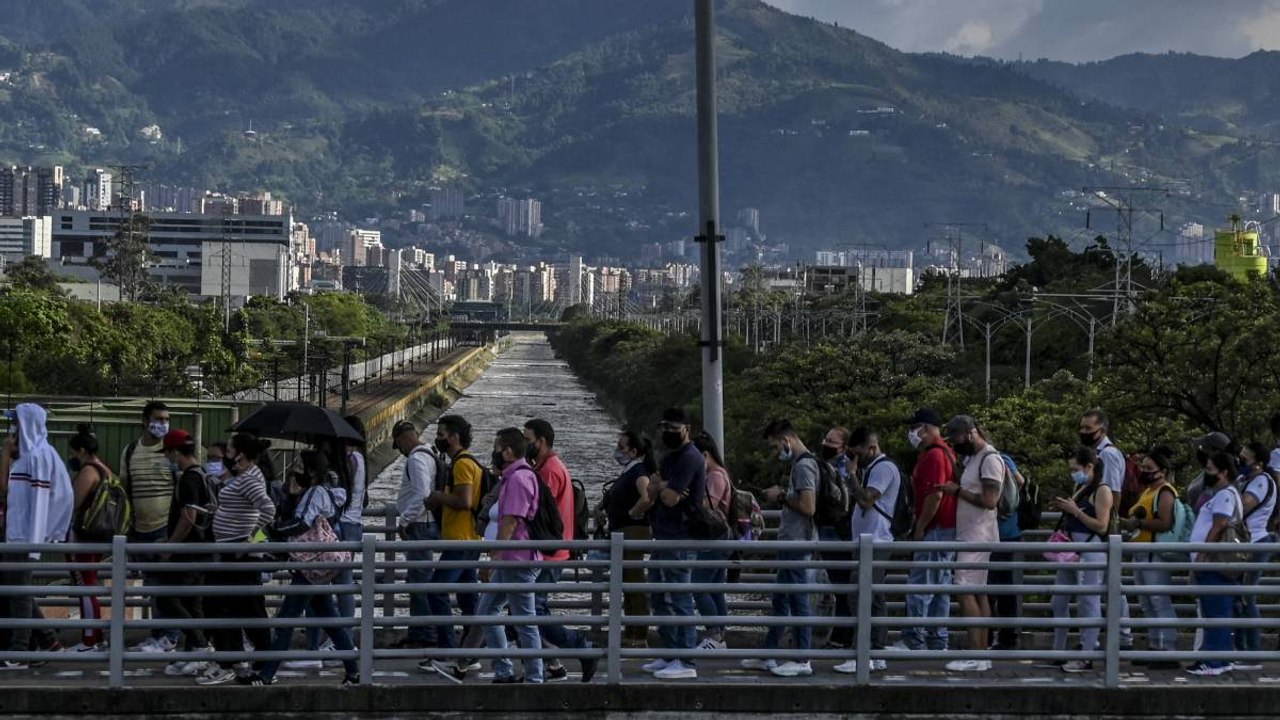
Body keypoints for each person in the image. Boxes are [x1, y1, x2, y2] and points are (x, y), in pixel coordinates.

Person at [238, 450, 359, 687]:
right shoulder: (325, 492)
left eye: (301, 466)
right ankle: (353, 670)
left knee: (286, 619)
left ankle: (267, 674)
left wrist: (274, 529)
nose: (297, 469)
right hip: (318, 565)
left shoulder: (315, 492)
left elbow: (301, 523)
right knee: (330, 619)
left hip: (309, 565)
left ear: (311, 471)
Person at [194, 433, 276, 686]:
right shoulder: (246, 475)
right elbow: (242, 507)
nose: (226, 454)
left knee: (224, 605)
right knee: (241, 606)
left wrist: (249, 540)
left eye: (229, 450)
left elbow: (268, 509)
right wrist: (219, 511)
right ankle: (247, 659)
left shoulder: (250, 478)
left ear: (240, 452)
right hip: (232, 550)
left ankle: (231, 661)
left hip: (238, 553)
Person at [743, 419, 817, 679]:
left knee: (798, 601)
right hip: (790, 542)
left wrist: (780, 496)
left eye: (776, 447)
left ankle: (802, 658)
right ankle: (770, 653)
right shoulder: (800, 464)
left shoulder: (804, 465)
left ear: (786, 440)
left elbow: (809, 507)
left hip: (798, 543)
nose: (776, 452)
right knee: (781, 601)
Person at [523, 419, 596, 683]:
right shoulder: (548, 467)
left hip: (548, 553)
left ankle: (580, 646)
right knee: (529, 610)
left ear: (541, 442)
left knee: (532, 611)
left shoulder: (549, 471)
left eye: (528, 439)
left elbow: (536, 512)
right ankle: (550, 663)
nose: (525, 444)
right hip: (552, 551)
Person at [1, 404, 73, 667]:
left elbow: (37, 500)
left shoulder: (38, 456)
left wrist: (34, 542)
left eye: (16, 424)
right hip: (17, 536)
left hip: (24, 537)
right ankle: (49, 642)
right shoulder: (31, 455)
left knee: (19, 593)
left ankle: (20, 652)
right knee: (20, 591)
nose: (13, 430)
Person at [640, 407, 706, 681]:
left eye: (673, 429)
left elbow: (667, 497)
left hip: (680, 535)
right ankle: (669, 652)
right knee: (658, 594)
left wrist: (661, 485)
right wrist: (662, 486)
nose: (668, 434)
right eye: (664, 429)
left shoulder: (690, 458)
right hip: (663, 534)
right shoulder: (670, 457)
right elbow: (654, 491)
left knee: (680, 597)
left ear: (686, 429)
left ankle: (685, 658)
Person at [478, 428, 545, 684]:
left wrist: (493, 559)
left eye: (496, 447)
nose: (494, 453)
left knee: (524, 619)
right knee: (488, 611)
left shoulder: (518, 479)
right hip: (512, 559)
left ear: (507, 451)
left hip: (517, 559)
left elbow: (510, 522)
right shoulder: (516, 476)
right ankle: (505, 670)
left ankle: (534, 676)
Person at [889, 408, 957, 653]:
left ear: (926, 428)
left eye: (914, 427)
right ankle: (938, 641)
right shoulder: (947, 453)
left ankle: (913, 640)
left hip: (935, 528)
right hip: (947, 528)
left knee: (920, 585)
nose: (912, 433)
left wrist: (920, 527)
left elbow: (934, 494)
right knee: (940, 589)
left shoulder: (933, 456)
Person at [940, 415, 1004, 673]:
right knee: (978, 591)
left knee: (963, 588)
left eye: (956, 437)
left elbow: (990, 500)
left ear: (970, 432)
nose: (954, 443)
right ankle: (982, 653)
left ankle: (976, 653)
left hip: (978, 535)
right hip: (973, 533)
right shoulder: (974, 459)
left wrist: (957, 491)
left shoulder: (989, 459)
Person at [835, 427, 900, 675]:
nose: (856, 457)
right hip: (869, 541)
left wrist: (851, 475)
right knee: (875, 597)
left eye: (859, 452)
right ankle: (876, 651)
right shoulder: (873, 469)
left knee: (861, 595)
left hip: (877, 541)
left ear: (871, 447)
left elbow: (866, 500)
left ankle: (863, 652)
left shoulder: (883, 468)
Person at [1045, 446, 1114, 674]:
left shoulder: (1102, 490)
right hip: (1071, 551)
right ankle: (1058, 651)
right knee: (1059, 600)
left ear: (1089, 467)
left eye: (1076, 469)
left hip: (1091, 550)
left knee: (1088, 602)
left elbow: (1102, 526)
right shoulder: (1081, 487)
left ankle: (1088, 654)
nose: (1073, 473)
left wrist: (1076, 511)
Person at [422, 415, 482, 673]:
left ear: (454, 436)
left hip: (460, 539)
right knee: (468, 597)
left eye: (442, 433)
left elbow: (465, 501)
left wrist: (438, 496)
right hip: (469, 539)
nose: (439, 438)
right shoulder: (471, 462)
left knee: (436, 590)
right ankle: (471, 653)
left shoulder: (461, 464)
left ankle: (447, 651)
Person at [121, 401, 181, 654]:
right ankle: (159, 634)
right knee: (152, 584)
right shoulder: (130, 451)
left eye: (167, 419)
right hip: (141, 529)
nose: (163, 424)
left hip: (165, 528)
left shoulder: (172, 452)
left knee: (166, 585)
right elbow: (126, 488)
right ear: (145, 421)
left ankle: (170, 635)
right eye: (158, 419)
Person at [158, 429, 214, 677]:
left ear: (175, 452)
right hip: (201, 550)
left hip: (187, 551)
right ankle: (194, 652)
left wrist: (170, 547)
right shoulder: (202, 474)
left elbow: (189, 516)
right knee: (194, 603)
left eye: (168, 452)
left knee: (169, 597)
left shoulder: (190, 479)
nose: (167, 458)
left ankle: (200, 646)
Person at [1118, 447, 1180, 668]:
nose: (1144, 471)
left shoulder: (1165, 492)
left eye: (1149, 468)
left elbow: (1165, 522)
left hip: (1155, 552)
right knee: (1146, 603)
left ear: (1162, 471)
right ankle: (1155, 646)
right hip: (1141, 551)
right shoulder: (1147, 491)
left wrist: (1139, 523)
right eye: (1142, 467)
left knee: (1159, 600)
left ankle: (1168, 650)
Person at [1078, 408, 1132, 649]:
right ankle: (1119, 636)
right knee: (1109, 584)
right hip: (1100, 527)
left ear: (1103, 430)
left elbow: (1113, 493)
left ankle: (1120, 637)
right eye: (1082, 428)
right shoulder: (1095, 453)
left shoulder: (1107, 455)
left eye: (1089, 428)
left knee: (1110, 584)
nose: (1084, 432)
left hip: (1103, 528)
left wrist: (1107, 524)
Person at [1186, 452, 1243, 677]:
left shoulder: (1224, 495)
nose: (1206, 474)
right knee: (1214, 610)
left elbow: (1219, 524)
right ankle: (1219, 657)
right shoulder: (1223, 494)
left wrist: (1203, 552)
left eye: (1210, 469)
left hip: (1215, 562)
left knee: (1216, 611)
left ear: (1223, 472)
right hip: (1211, 562)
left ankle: (1215, 660)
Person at [391, 420, 439, 649]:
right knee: (418, 581)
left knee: (420, 583)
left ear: (402, 439)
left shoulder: (416, 458)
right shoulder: (430, 452)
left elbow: (422, 494)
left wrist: (404, 520)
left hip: (419, 526)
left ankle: (425, 635)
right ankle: (418, 631)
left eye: (398, 445)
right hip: (426, 525)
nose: (399, 451)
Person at [604, 430, 654, 648]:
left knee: (634, 583)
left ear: (633, 451)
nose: (618, 450)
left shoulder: (639, 472)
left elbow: (647, 497)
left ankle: (639, 634)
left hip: (633, 531)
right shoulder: (629, 471)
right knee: (627, 583)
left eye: (621, 446)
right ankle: (631, 631)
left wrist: (633, 512)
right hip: (623, 531)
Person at [66, 424, 108, 652]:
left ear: (81, 450)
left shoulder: (88, 471)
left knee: (86, 586)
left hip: (83, 535)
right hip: (99, 535)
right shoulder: (104, 468)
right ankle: (96, 636)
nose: (72, 457)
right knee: (90, 583)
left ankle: (90, 638)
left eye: (73, 453)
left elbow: (74, 504)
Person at [1232, 441, 1275, 660]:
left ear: (1258, 463)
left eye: (1245, 458)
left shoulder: (1261, 481)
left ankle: (1252, 651)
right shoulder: (1243, 479)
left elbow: (1243, 506)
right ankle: (1239, 648)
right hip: (1240, 543)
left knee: (1247, 597)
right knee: (1237, 598)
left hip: (1255, 541)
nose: (1240, 461)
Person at [692, 431, 732, 651]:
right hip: (721, 537)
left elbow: (709, 507)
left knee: (698, 585)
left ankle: (715, 634)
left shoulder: (715, 476)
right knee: (715, 587)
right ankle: (720, 635)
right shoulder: (721, 473)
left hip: (713, 537)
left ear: (705, 455)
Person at [818, 425, 855, 650]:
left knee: (841, 586)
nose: (827, 445)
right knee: (839, 586)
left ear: (844, 447)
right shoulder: (833, 466)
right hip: (833, 531)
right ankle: (842, 635)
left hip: (837, 531)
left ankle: (843, 637)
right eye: (826, 440)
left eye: (832, 442)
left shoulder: (840, 468)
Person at [989, 453, 1026, 651]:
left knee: (992, 587)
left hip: (998, 531)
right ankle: (1006, 636)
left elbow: (1019, 482)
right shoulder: (1003, 458)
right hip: (1009, 530)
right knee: (1004, 585)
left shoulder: (994, 458)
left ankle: (995, 636)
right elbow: (1021, 481)